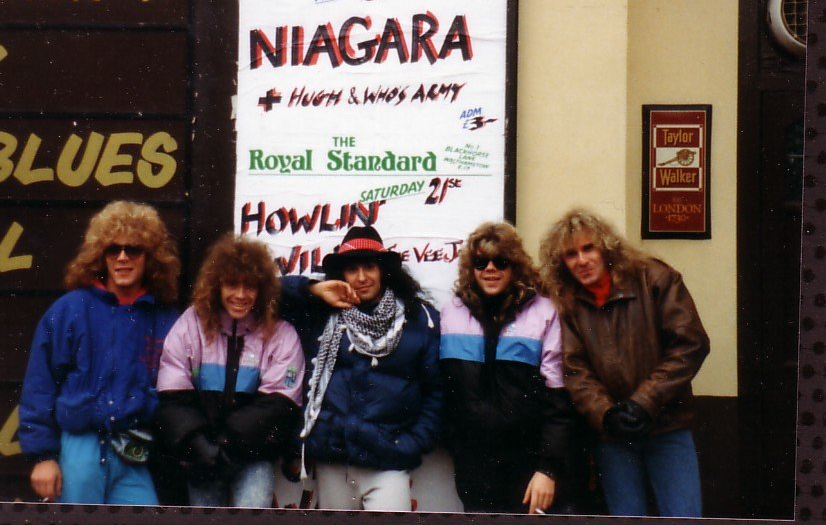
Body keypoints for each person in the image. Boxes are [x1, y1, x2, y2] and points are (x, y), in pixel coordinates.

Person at [539, 208, 710, 517]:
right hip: (612, 434)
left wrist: (644, 402)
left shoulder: (654, 278)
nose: (582, 260)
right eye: (571, 254)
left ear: (606, 247)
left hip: (667, 427)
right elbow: (574, 369)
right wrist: (605, 414)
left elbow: (690, 343)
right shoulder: (567, 301)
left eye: (588, 248)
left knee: (683, 514)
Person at [18, 200, 181, 505]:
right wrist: (43, 456)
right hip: (81, 447)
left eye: (133, 249)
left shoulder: (166, 319)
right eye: (113, 249)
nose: (122, 257)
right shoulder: (69, 310)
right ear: (100, 256)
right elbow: (40, 385)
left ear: (150, 257)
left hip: (137, 450)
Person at [280, 226, 443, 511]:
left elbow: (435, 393)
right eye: (352, 269)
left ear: (384, 270)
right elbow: (264, 293)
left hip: (388, 462)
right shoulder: (320, 312)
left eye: (370, 267)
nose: (362, 277)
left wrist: (410, 444)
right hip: (333, 459)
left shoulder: (419, 318)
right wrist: (313, 289)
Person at [154, 235, 305, 508]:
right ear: (216, 285)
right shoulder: (191, 324)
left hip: (252, 457)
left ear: (262, 289)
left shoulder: (281, 334)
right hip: (201, 458)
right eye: (232, 284)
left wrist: (224, 445)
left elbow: (280, 404)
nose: (241, 295)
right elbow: (172, 395)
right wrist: (200, 445)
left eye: (250, 286)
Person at [440, 221, 577, 514]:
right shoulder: (452, 312)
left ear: (515, 265)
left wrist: (548, 468)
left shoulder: (544, 312)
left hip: (528, 465)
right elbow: (445, 389)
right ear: (471, 268)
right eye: (481, 262)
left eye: (500, 261)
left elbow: (559, 400)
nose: (490, 269)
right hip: (473, 463)